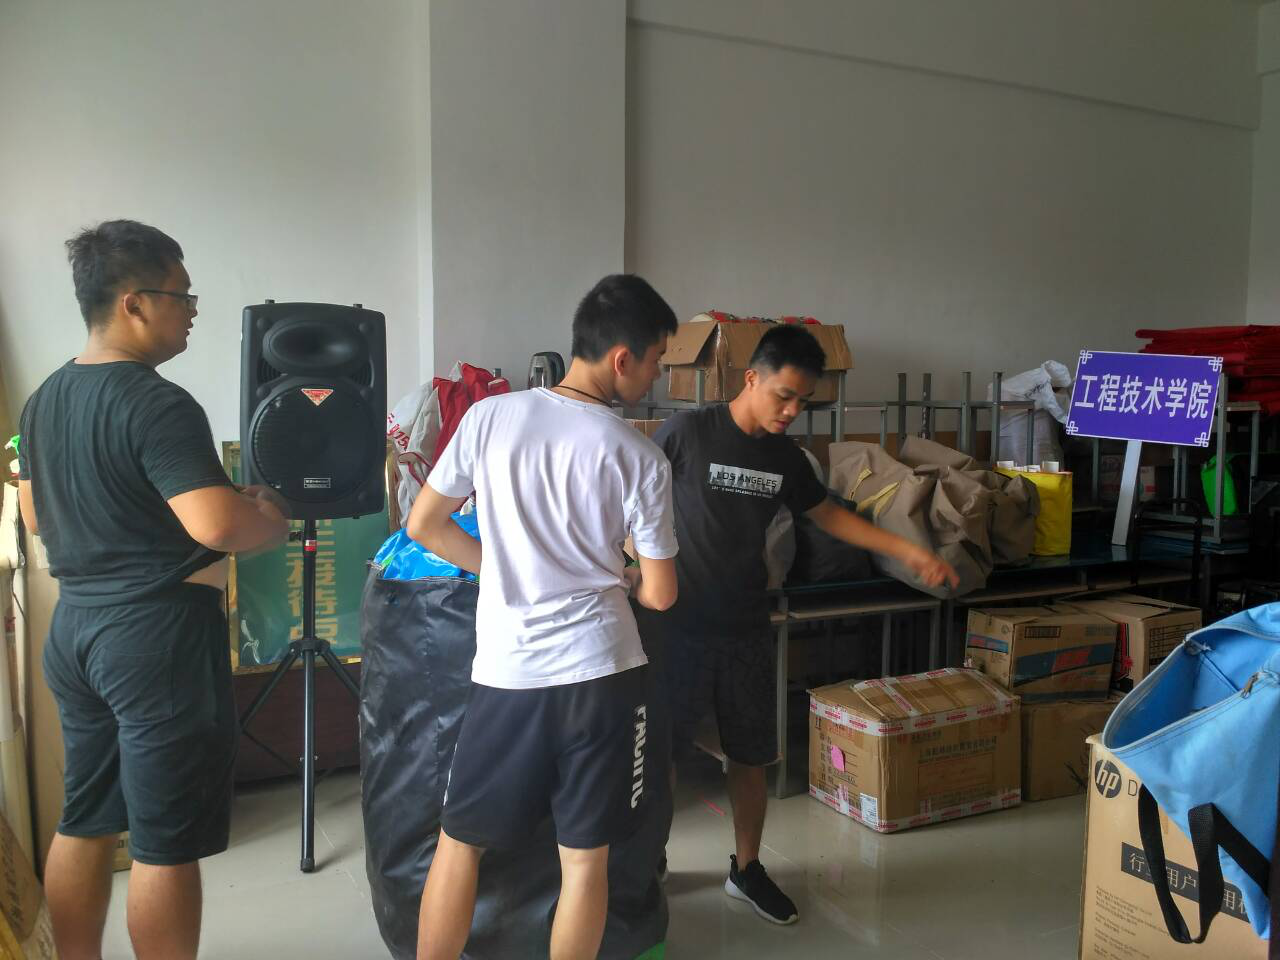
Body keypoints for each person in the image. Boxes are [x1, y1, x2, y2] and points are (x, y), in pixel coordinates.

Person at [16, 220, 290, 960]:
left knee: (85, 818)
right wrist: (269, 517)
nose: (193, 310)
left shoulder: (44, 399)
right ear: (134, 302)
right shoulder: (156, 402)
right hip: (155, 640)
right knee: (164, 841)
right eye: (182, 295)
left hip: (76, 632)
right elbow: (217, 526)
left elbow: (37, 515)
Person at [642, 324, 958, 926]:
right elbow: (635, 498)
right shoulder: (687, 432)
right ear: (751, 378)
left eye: (803, 402)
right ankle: (648, 863)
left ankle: (747, 868)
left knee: (751, 754)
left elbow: (830, 517)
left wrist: (906, 551)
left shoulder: (785, 458)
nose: (791, 411)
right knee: (663, 755)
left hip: (745, 625)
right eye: (783, 395)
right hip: (677, 625)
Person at [407, 274, 681, 960]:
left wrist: (500, 568)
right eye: (656, 361)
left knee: (458, 844)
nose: (657, 376)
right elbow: (661, 594)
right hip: (604, 673)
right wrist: (622, 573)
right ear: (622, 358)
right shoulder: (639, 456)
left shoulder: (489, 418)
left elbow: (424, 525)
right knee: (584, 862)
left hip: (509, 673)